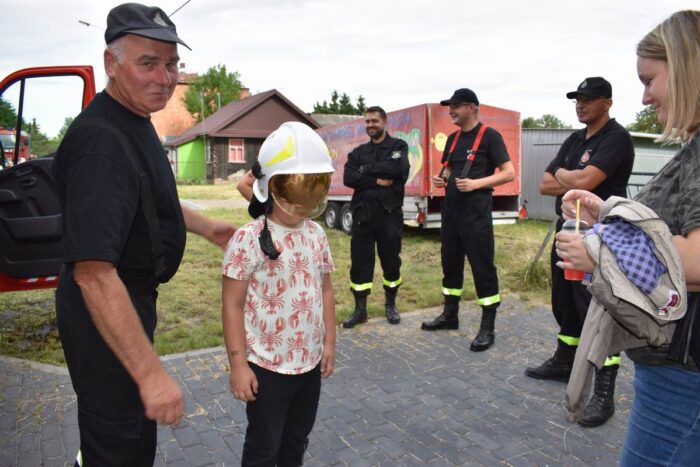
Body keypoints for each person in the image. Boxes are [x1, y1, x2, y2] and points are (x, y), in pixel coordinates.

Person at [52, 4, 236, 465]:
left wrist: (209, 226)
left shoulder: (135, 121)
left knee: (121, 433)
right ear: (110, 64)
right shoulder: (102, 143)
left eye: (172, 64)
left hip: (127, 302)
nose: (165, 78)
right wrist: (151, 374)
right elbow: (93, 275)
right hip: (105, 309)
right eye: (148, 63)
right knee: (119, 442)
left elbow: (150, 200)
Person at [556, 10, 700, 465]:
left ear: (686, 66)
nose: (646, 95)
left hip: (685, 376)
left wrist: (601, 246)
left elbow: (695, 260)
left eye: (650, 79)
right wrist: (606, 213)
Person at [222, 122, 336, 466]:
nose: (306, 202)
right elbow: (232, 304)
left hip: (308, 366)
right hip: (266, 368)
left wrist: (329, 342)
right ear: (268, 187)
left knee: (295, 442)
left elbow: (326, 290)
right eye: (297, 191)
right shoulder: (248, 238)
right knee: (263, 448)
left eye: (314, 189)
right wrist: (238, 364)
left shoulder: (316, 234)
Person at [524, 77, 635, 428]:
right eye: (577, 99)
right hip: (568, 231)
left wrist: (565, 174)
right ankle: (564, 360)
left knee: (599, 308)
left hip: (601, 234)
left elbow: (586, 183)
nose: (580, 104)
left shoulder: (616, 138)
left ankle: (604, 388)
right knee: (565, 301)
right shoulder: (575, 139)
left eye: (588, 99)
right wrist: (574, 175)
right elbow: (545, 185)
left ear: (608, 103)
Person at [421, 88, 515, 352]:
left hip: (476, 213)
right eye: (449, 106)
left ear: (472, 107)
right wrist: (442, 179)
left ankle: (488, 327)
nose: (450, 110)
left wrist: (476, 184)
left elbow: (508, 173)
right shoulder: (452, 139)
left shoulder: (490, 136)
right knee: (450, 264)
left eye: (456, 106)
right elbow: (449, 170)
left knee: (483, 268)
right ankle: (450, 315)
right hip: (451, 211)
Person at [342, 106, 410, 328]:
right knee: (360, 264)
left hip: (389, 216)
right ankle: (360, 310)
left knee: (391, 263)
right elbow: (348, 178)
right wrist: (375, 178)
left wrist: (364, 170)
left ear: (384, 122)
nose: (370, 125)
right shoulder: (358, 152)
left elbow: (396, 169)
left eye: (374, 121)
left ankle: (390, 305)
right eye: (367, 122)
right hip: (363, 217)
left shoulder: (398, 147)